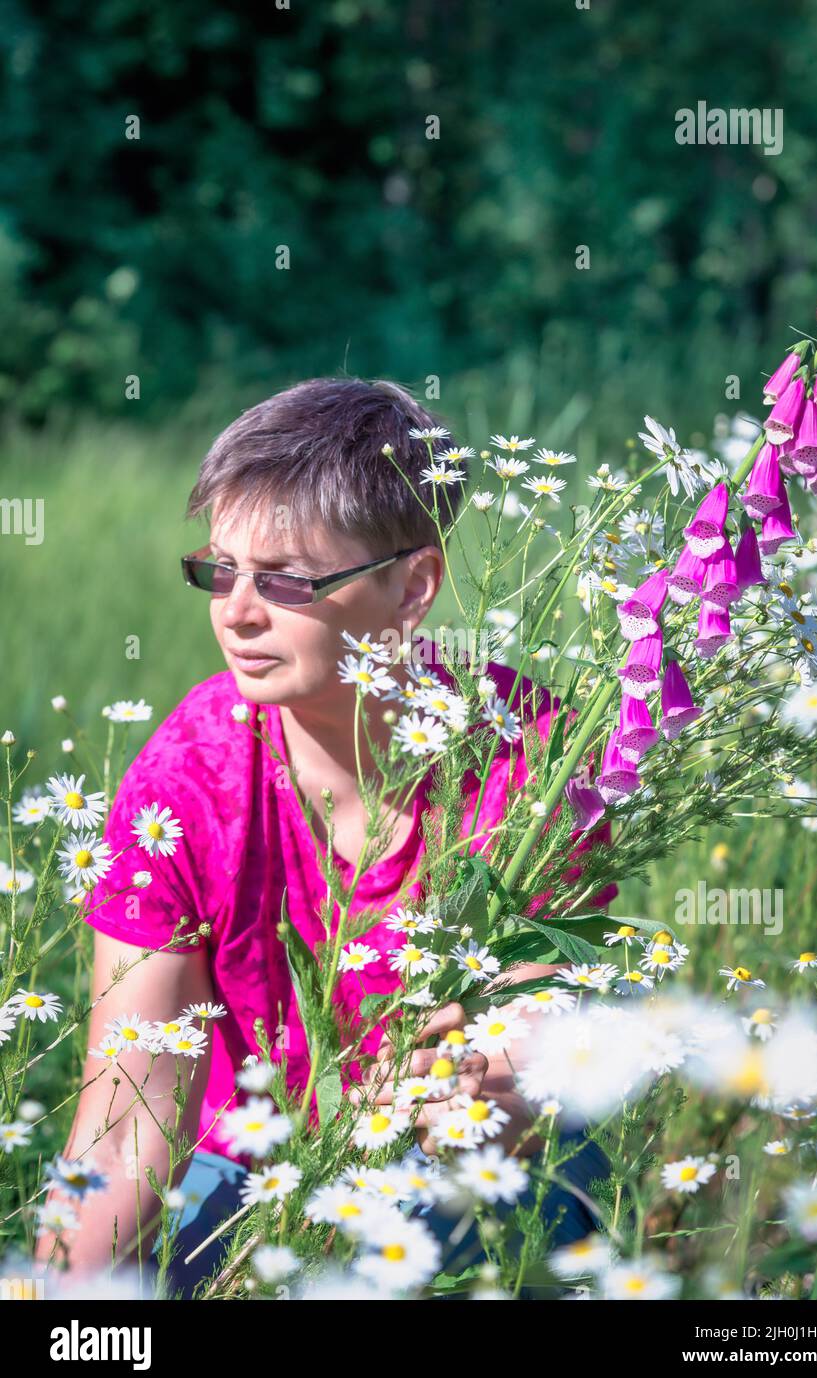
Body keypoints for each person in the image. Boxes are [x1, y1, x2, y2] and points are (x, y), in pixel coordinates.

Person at [34, 378, 617, 1298]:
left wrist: (482, 1092)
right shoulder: (182, 783)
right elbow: (126, 1119)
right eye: (219, 570)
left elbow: (533, 1039)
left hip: (473, 1169)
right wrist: (50, 1303)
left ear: (412, 586)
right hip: (249, 1172)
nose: (236, 610)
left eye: (288, 580)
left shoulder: (530, 756)